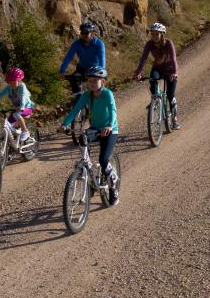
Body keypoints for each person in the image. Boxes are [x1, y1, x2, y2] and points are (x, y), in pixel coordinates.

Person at [59, 66, 119, 206]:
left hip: (110, 130)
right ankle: (89, 173)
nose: (91, 83)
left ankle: (113, 188)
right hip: (95, 128)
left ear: (102, 81)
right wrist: (65, 124)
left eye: (95, 80)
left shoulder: (107, 94)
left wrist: (110, 125)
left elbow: (113, 110)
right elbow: (75, 110)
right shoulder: (87, 95)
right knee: (82, 137)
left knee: (103, 160)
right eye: (89, 80)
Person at [133, 22, 180, 130]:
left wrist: (175, 72)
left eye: (157, 34)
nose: (154, 37)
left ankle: (174, 120)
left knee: (170, 95)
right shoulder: (149, 44)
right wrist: (138, 72)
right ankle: (155, 101)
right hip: (158, 68)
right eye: (152, 34)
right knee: (152, 81)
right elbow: (143, 59)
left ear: (162, 34)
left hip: (169, 70)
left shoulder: (168, 43)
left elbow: (173, 59)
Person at [0, 67, 34, 151]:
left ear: (19, 80)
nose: (12, 83)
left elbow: (23, 97)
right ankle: (11, 146)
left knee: (16, 114)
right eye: (10, 81)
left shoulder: (22, 87)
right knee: (9, 125)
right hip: (16, 109)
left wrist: (22, 106)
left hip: (26, 108)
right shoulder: (9, 88)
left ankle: (25, 131)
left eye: (14, 81)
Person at [59, 21, 106, 95]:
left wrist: (102, 73)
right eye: (82, 33)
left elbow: (102, 60)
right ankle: (79, 98)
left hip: (95, 69)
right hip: (82, 68)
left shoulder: (99, 44)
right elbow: (68, 57)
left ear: (92, 33)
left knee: (96, 88)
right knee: (74, 79)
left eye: (86, 33)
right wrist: (62, 71)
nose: (84, 35)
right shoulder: (77, 44)